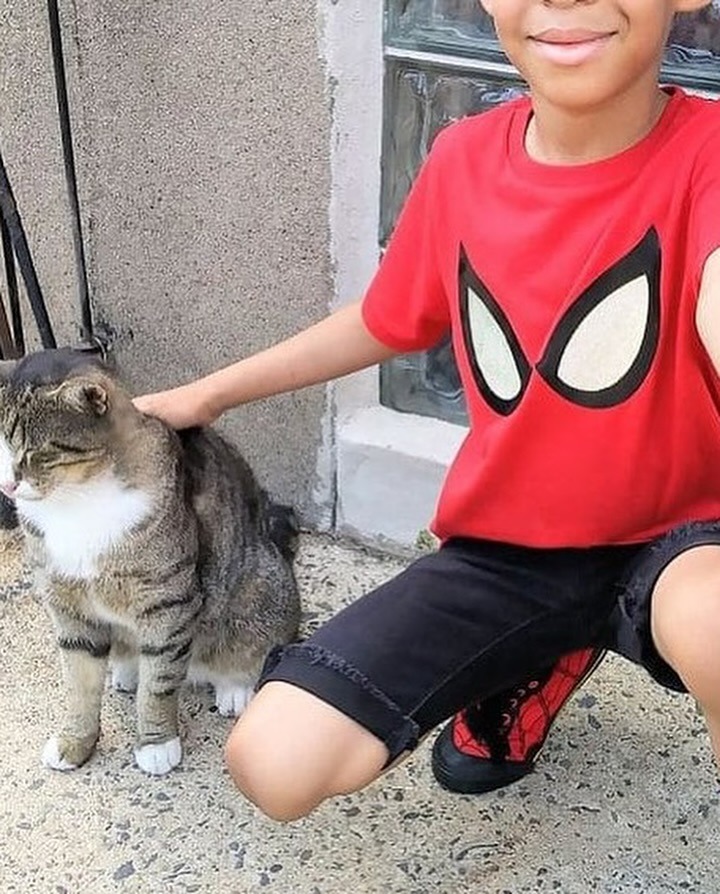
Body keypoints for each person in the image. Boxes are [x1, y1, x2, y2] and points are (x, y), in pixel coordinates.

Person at [135, 0, 720, 822]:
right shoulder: (463, 158)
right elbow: (390, 316)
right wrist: (208, 395)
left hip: (685, 542)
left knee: (712, 624)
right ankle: (540, 651)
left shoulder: (707, 156)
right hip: (513, 552)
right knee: (273, 760)